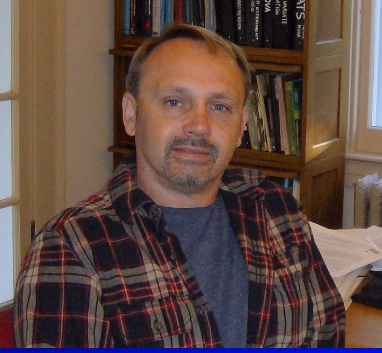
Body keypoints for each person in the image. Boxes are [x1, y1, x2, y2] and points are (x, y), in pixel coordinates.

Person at [14, 23, 345, 348]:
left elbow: (329, 335)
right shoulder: (72, 247)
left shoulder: (276, 210)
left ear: (242, 125)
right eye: (174, 101)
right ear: (131, 114)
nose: (199, 125)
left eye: (219, 107)